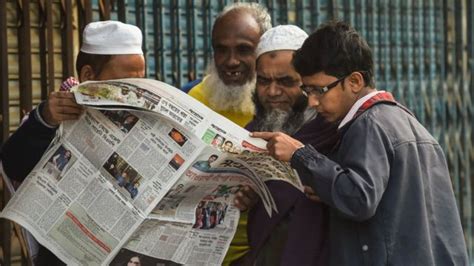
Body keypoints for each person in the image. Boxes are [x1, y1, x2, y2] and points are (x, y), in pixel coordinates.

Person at [252, 21, 469, 265]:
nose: (312, 102)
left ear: (354, 81)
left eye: (319, 90)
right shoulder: (403, 120)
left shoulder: (368, 125)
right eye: (307, 91)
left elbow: (359, 199)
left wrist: (300, 155)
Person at [0, 20, 145, 266]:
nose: (134, 92)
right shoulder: (54, 119)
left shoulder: (144, 120)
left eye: (140, 82)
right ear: (89, 75)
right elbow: (13, 163)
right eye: (125, 84)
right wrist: (44, 119)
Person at [181, 3, 272, 264]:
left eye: (244, 50)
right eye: (222, 50)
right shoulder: (189, 98)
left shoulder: (278, 104)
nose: (231, 61)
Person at [243, 24, 339, 265]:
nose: (272, 92)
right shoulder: (250, 133)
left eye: (286, 81)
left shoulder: (334, 132)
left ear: (307, 82)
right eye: (264, 81)